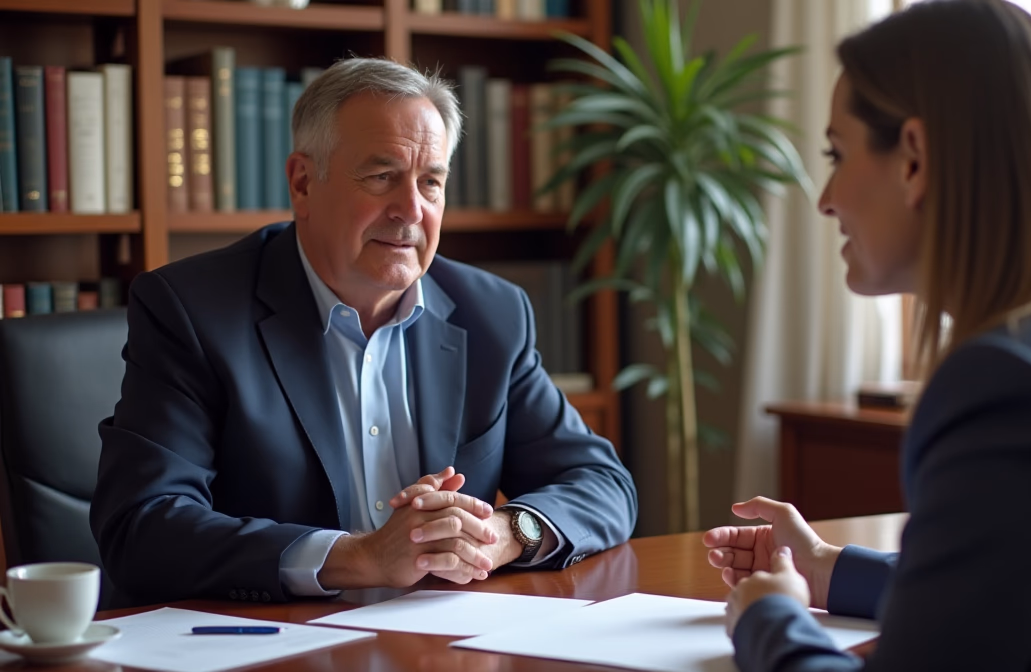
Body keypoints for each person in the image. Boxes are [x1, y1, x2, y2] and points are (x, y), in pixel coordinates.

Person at [705, 1, 1031, 669]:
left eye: (837, 154)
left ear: (914, 159)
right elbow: (1019, 580)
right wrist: (823, 567)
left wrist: (768, 620)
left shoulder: (1016, 387)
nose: (824, 198)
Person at [90, 58, 637, 605]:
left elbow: (601, 482)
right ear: (303, 183)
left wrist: (502, 534)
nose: (411, 211)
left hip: (438, 640)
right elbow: (142, 526)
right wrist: (359, 557)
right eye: (381, 177)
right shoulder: (193, 310)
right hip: (279, 639)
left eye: (430, 182)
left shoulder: (491, 312)